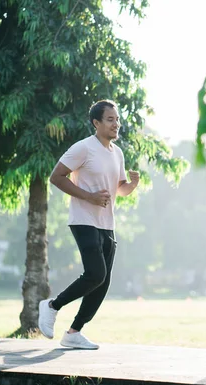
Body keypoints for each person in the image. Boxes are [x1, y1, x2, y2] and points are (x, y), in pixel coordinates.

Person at [38, 99, 139, 349]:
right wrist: (90, 196)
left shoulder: (117, 153)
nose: (116, 124)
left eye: (117, 119)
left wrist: (133, 185)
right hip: (83, 220)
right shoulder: (83, 148)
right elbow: (56, 177)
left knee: (102, 282)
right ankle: (52, 305)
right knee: (96, 273)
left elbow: (120, 190)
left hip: (107, 224)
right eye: (110, 119)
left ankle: (73, 333)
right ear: (96, 123)